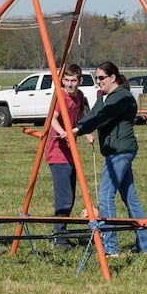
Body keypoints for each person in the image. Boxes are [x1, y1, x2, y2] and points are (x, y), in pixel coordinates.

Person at [73, 61, 147, 256]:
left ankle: (109, 246)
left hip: (120, 152)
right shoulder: (104, 97)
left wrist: (78, 129)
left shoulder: (122, 98)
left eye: (101, 78)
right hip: (113, 151)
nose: (98, 82)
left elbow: (103, 116)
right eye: (96, 78)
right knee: (130, 197)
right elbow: (93, 114)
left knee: (105, 196)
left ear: (113, 78)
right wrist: (76, 128)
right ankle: (146, 246)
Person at [45, 64, 89, 248]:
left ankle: (60, 232)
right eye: (67, 81)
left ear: (80, 81)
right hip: (57, 151)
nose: (70, 85)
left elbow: (82, 117)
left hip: (71, 151)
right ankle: (59, 237)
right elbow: (52, 119)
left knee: (70, 196)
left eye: (73, 81)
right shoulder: (60, 96)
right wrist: (63, 132)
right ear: (62, 81)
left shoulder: (79, 96)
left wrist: (86, 132)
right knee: (65, 196)